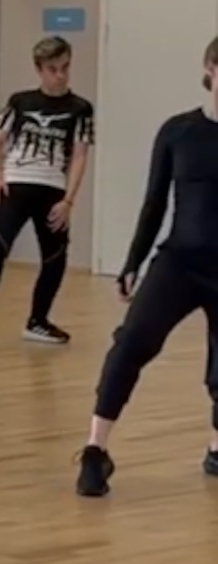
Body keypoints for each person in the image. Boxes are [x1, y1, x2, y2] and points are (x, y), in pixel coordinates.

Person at [76, 35, 218, 497]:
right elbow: (154, 202)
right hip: (180, 262)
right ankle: (95, 450)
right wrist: (132, 262)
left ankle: (217, 446)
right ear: (210, 69)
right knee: (132, 342)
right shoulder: (178, 131)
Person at [0, 36, 95, 353]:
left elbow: (80, 155)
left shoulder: (80, 109)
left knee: (55, 256)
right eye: (53, 69)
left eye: (65, 67)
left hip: (53, 189)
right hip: (15, 185)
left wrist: (68, 199)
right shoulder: (20, 102)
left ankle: (38, 320)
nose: (60, 75)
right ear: (39, 69)